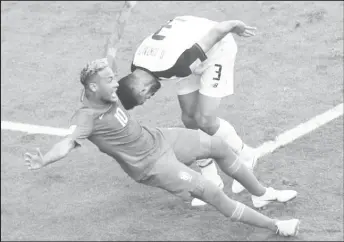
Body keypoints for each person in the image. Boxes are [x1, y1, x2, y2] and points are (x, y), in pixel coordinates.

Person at [24, 2, 301, 236]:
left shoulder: (109, 91)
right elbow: (68, 142)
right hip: (152, 165)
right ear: (94, 88)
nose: (116, 83)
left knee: (218, 146)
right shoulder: (85, 116)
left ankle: (262, 193)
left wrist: (126, 8)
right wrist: (45, 159)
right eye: (110, 81)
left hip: (157, 138)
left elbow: (112, 43)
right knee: (214, 196)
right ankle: (277, 226)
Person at [116, 15, 259, 206]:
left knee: (206, 119)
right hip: (186, 51)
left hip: (217, 50)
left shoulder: (176, 65)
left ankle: (247, 155)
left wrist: (235, 25)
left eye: (144, 99)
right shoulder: (138, 66)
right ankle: (211, 177)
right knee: (189, 118)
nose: (149, 98)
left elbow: (217, 31)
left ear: (141, 89)